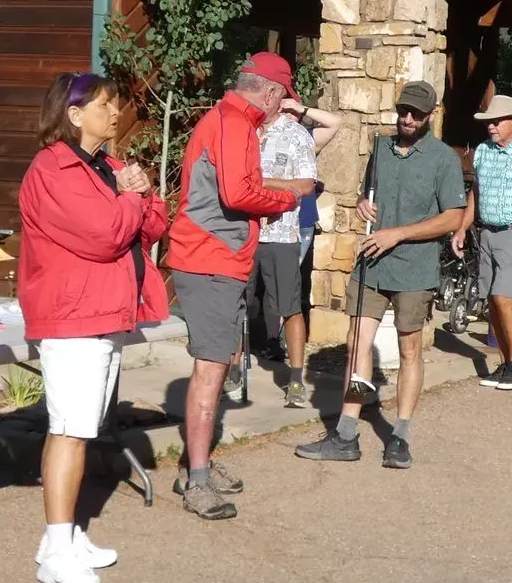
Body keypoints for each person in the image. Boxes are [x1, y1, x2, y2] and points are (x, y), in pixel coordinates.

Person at [18, 73, 168, 583]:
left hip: (103, 313)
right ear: (74, 114)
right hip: (73, 316)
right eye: (103, 104)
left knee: (83, 428)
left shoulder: (105, 166)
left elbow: (150, 229)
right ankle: (56, 549)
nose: (114, 111)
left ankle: (67, 532)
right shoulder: (52, 169)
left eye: (114, 103)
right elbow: (105, 236)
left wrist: (141, 194)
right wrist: (129, 200)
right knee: (69, 431)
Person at [167, 51, 311, 516]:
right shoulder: (232, 123)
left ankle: (197, 462)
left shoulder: (233, 120)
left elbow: (239, 186)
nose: (280, 108)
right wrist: (290, 196)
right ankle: (198, 482)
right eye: (281, 98)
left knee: (219, 364)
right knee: (212, 369)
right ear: (269, 93)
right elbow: (238, 193)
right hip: (209, 259)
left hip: (219, 259)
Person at [296, 81, 466, 468]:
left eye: (417, 114)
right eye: (404, 111)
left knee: (409, 350)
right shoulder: (381, 148)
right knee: (357, 342)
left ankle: (400, 437)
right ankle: (346, 435)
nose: (407, 119)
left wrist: (399, 234)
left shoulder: (443, 158)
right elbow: (366, 193)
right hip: (371, 263)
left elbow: (453, 217)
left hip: (415, 268)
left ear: (431, 116)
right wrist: (361, 204)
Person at [455, 94, 512, 391]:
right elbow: (476, 194)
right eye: (489, 122)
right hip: (487, 232)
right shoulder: (483, 151)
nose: (492, 126)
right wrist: (462, 227)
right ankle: (506, 362)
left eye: (497, 121)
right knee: (491, 300)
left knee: (504, 296)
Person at [255, 94, 340, 407]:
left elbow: (306, 184)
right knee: (238, 303)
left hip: (284, 231)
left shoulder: (297, 135)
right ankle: (235, 370)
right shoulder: (244, 132)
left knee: (289, 303)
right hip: (245, 232)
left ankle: (294, 380)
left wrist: (259, 182)